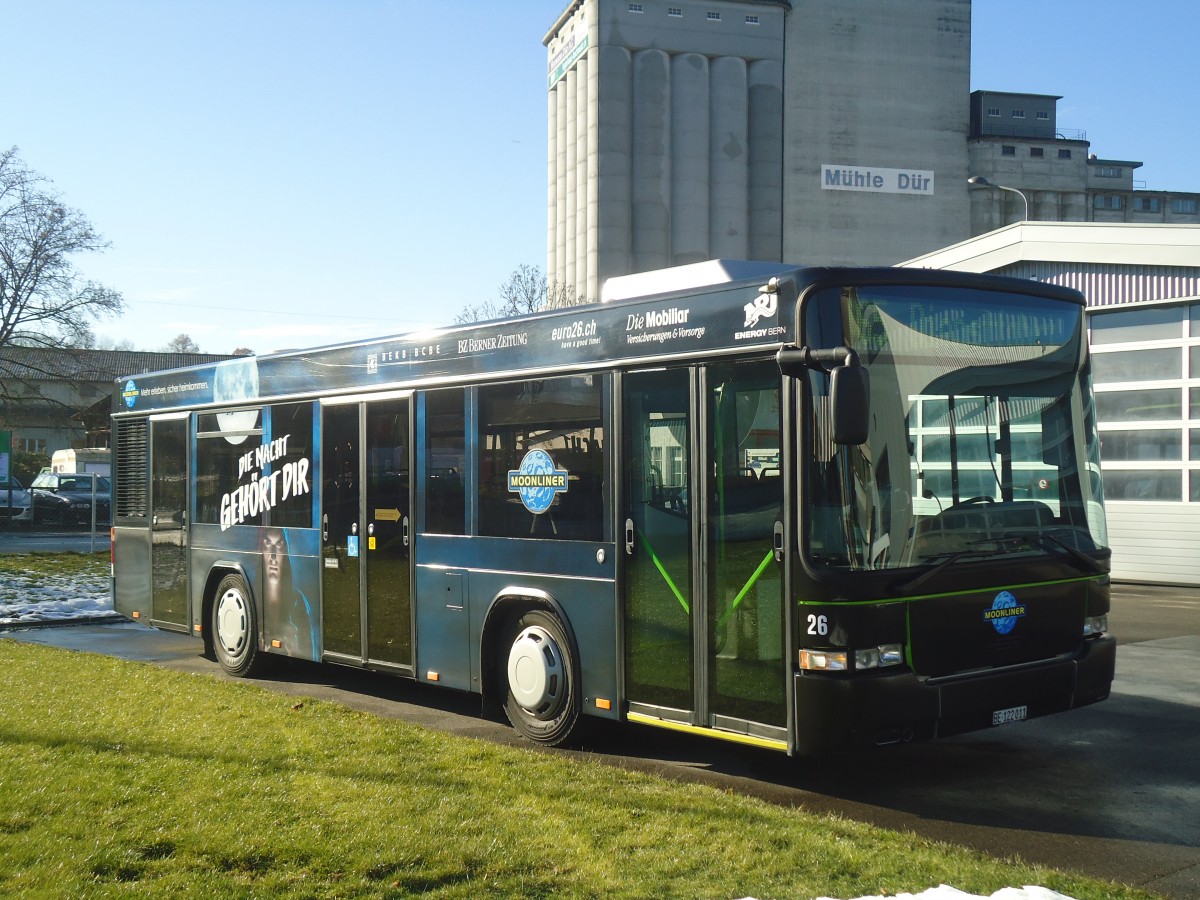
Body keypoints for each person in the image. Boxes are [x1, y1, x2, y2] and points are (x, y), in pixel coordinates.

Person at [260, 526, 318, 659]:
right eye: (268, 544)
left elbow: (309, 651)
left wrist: (294, 651)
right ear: (261, 550)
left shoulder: (299, 603)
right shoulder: (254, 600)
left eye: (279, 545)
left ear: (285, 551)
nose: (273, 556)